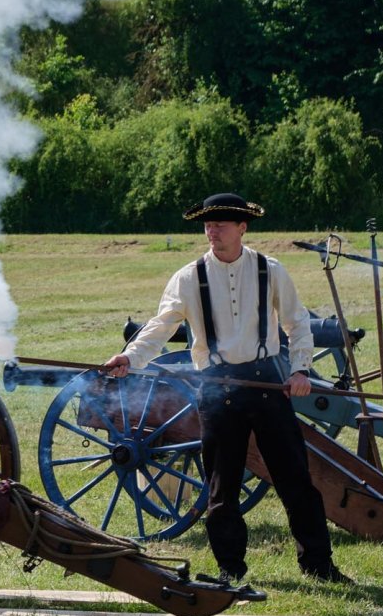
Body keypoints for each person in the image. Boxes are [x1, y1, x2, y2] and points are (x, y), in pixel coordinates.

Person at [102, 192, 353, 585]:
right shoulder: (188, 277)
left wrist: (301, 370)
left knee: (296, 482)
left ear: (242, 228)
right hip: (217, 389)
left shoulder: (271, 271)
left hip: (267, 383)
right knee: (222, 489)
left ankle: (319, 566)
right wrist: (129, 358)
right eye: (207, 223)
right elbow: (161, 326)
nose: (212, 230)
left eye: (220, 223)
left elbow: (297, 323)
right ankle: (230, 570)